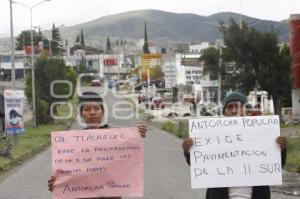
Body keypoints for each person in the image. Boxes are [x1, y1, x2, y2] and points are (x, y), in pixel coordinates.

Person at [182, 91, 287, 199]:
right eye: (229, 107)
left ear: (247, 111)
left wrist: (281, 149)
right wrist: (189, 150)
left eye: (238, 106)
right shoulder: (213, 136)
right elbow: (201, 166)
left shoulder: (262, 135)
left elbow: (275, 167)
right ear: (224, 112)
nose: (233, 111)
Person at [48, 91, 147, 199]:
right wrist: (58, 183)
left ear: (103, 111)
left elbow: (128, 161)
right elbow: (67, 173)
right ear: (81, 114)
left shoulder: (118, 138)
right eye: (87, 109)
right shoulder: (71, 144)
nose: (92, 112)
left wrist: (137, 133)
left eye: (96, 108)